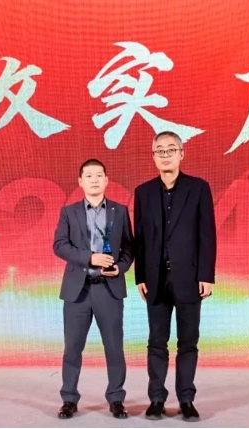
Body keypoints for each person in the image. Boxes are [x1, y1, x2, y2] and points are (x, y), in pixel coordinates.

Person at [133, 131, 217, 422]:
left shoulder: (199, 188)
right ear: (153, 156)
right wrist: (140, 276)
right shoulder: (143, 192)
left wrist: (206, 274)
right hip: (155, 279)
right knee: (156, 341)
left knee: (188, 341)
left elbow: (207, 234)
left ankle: (186, 399)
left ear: (182, 154)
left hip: (189, 277)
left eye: (171, 149)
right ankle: (156, 399)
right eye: (160, 150)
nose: (165, 155)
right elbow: (140, 238)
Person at [52, 158, 134, 419]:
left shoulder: (120, 211)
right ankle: (69, 399)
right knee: (72, 348)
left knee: (114, 346)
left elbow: (129, 248)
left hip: (109, 290)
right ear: (80, 181)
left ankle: (116, 398)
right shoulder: (69, 212)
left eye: (99, 175)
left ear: (106, 180)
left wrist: (119, 267)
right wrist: (90, 258)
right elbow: (60, 245)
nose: (94, 180)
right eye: (89, 176)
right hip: (78, 290)